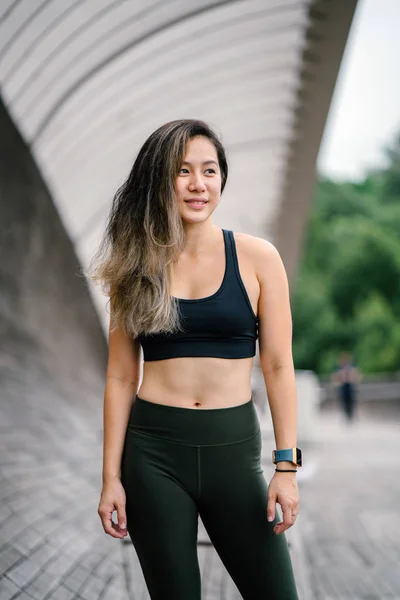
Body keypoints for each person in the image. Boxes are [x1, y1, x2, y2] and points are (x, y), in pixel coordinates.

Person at [91, 119, 300, 599]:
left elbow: (278, 366)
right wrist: (110, 479)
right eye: (182, 171)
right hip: (153, 458)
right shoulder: (134, 267)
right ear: (160, 180)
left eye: (209, 170)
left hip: (233, 451)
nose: (197, 184)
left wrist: (285, 469)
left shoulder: (257, 258)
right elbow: (121, 377)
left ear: (222, 179)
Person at [331, 351, 361, 424]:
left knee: (351, 403)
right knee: (344, 403)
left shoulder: (352, 368)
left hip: (350, 387)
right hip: (344, 387)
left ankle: (351, 417)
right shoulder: (340, 369)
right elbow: (335, 378)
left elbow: (357, 377)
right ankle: (347, 417)